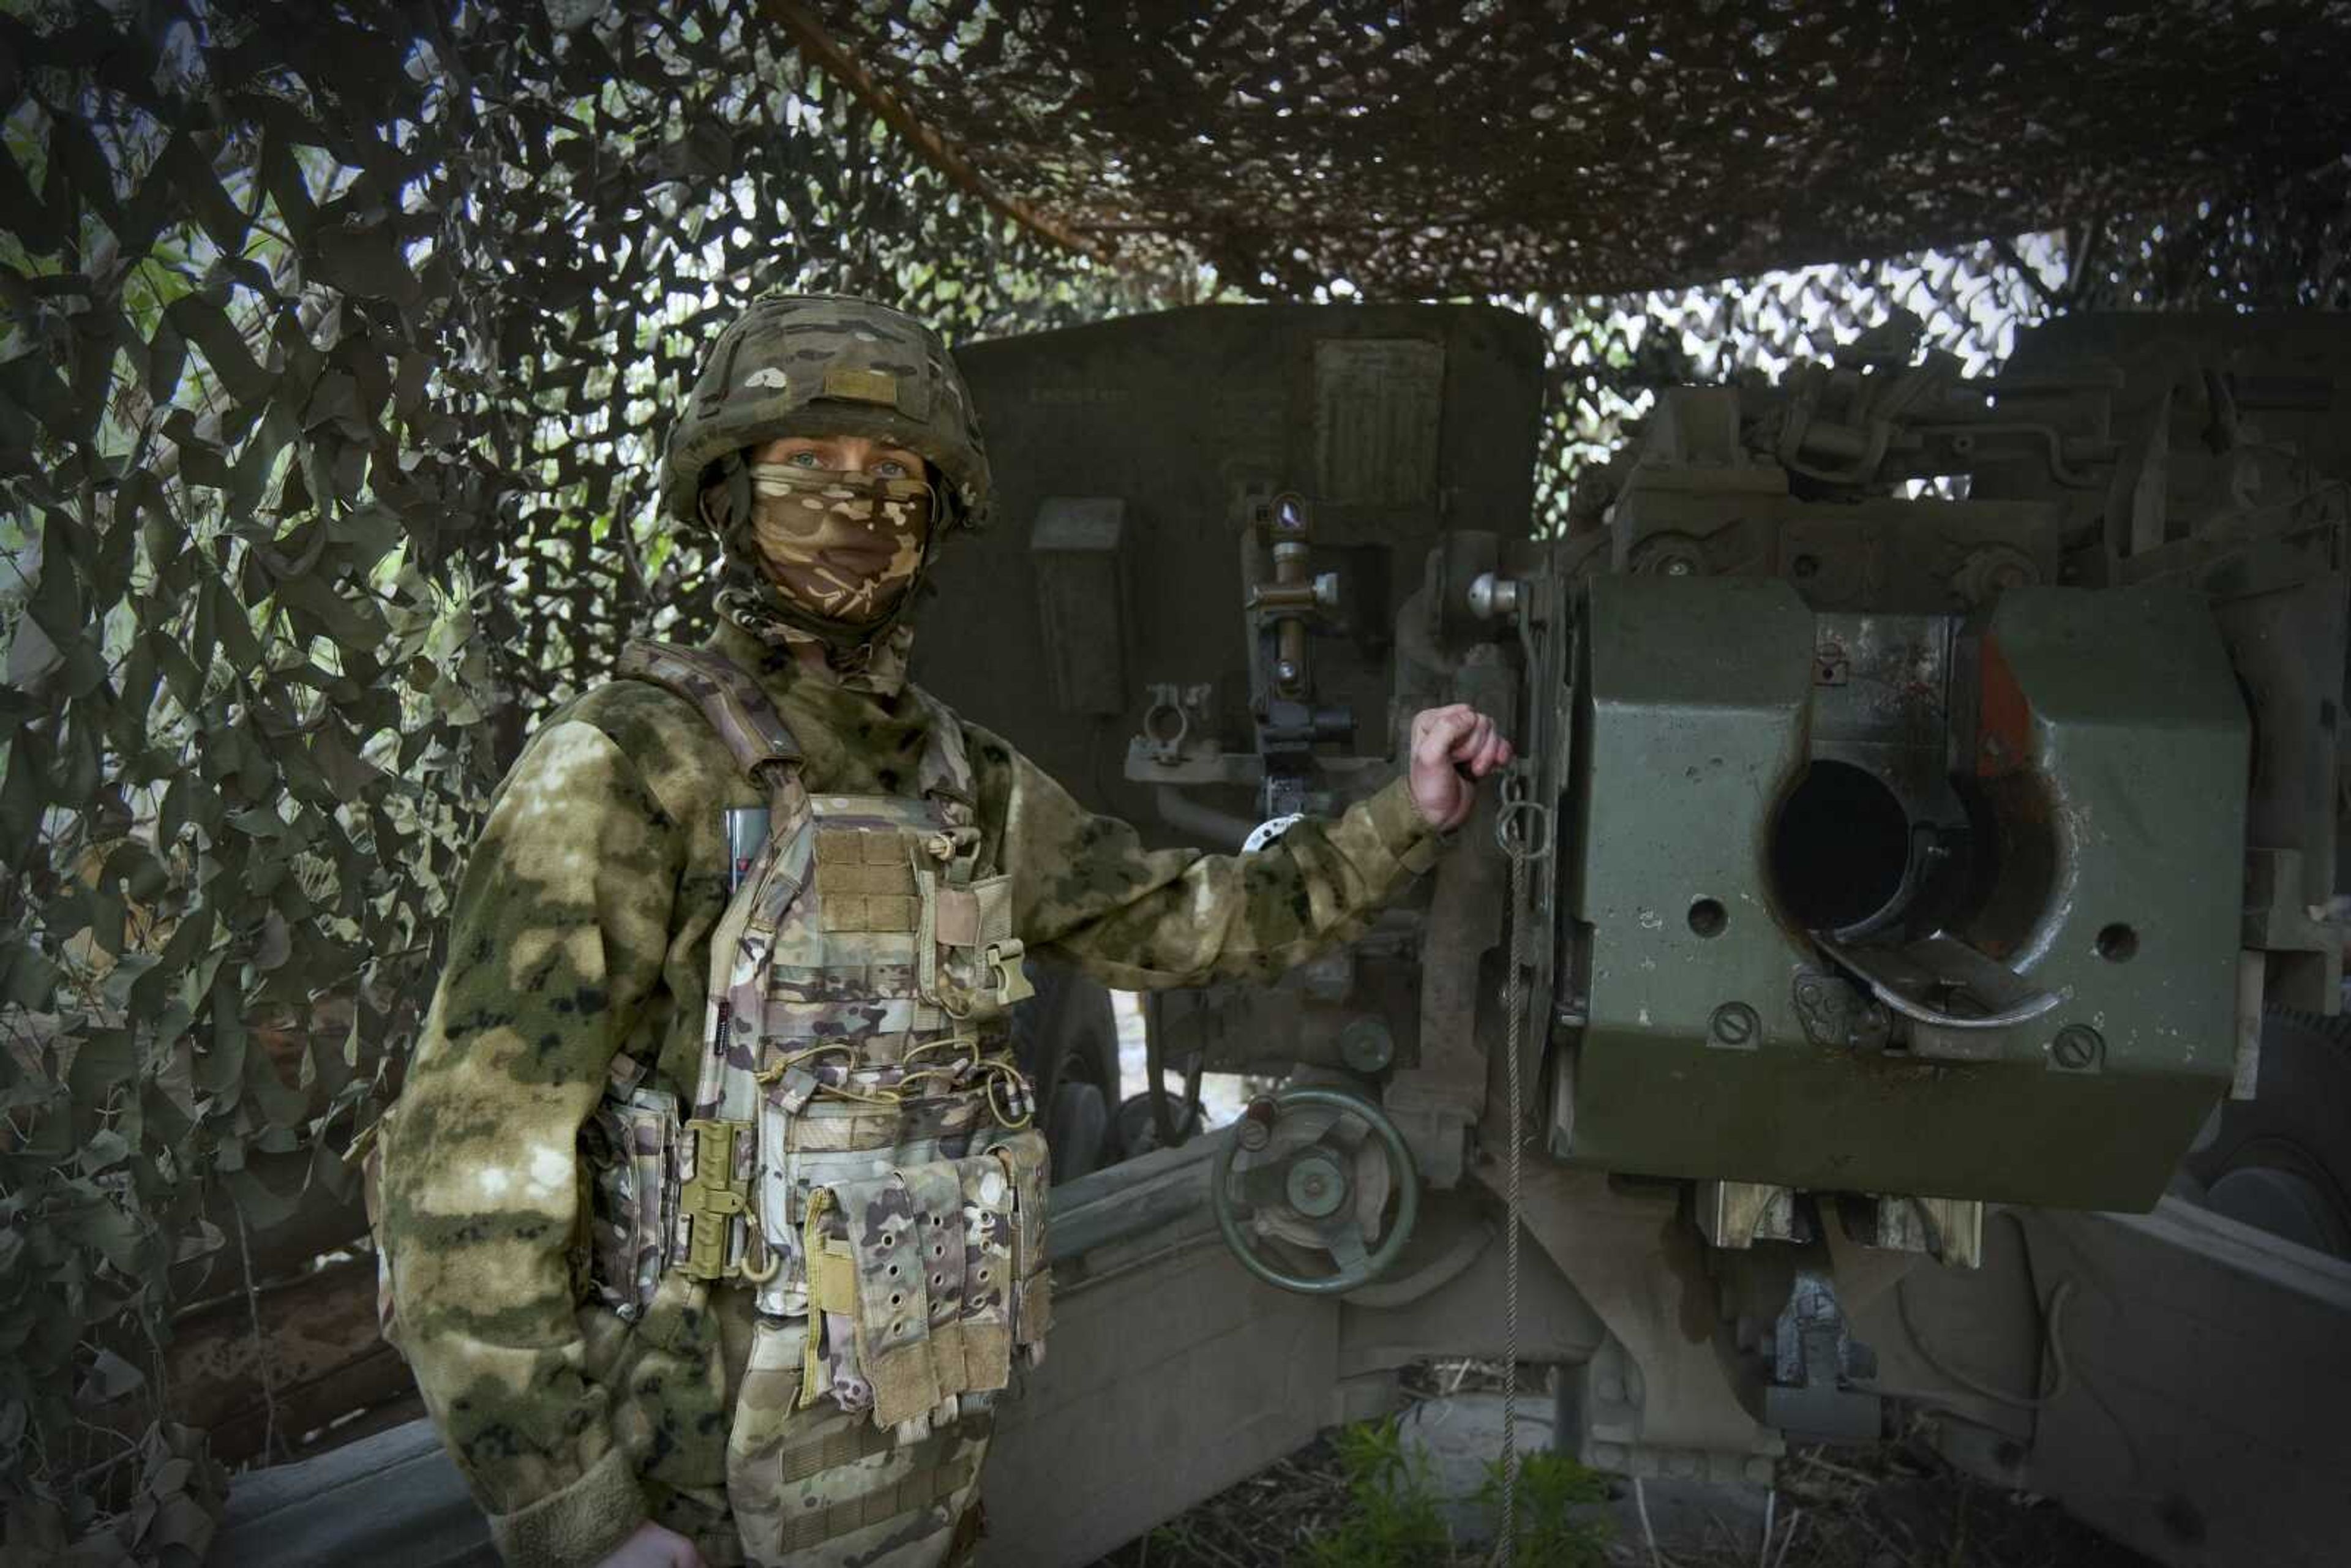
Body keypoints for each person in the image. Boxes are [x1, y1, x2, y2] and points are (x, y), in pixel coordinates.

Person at [375, 294, 1512, 1568]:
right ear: (727, 497)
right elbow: (465, 1182)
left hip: (913, 1484)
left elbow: (1190, 920)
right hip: (697, 1514)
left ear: (936, 519)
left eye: (891, 478)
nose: (852, 507)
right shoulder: (626, 771)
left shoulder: (966, 785)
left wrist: (1401, 814)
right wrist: (581, 1521)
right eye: (807, 468)